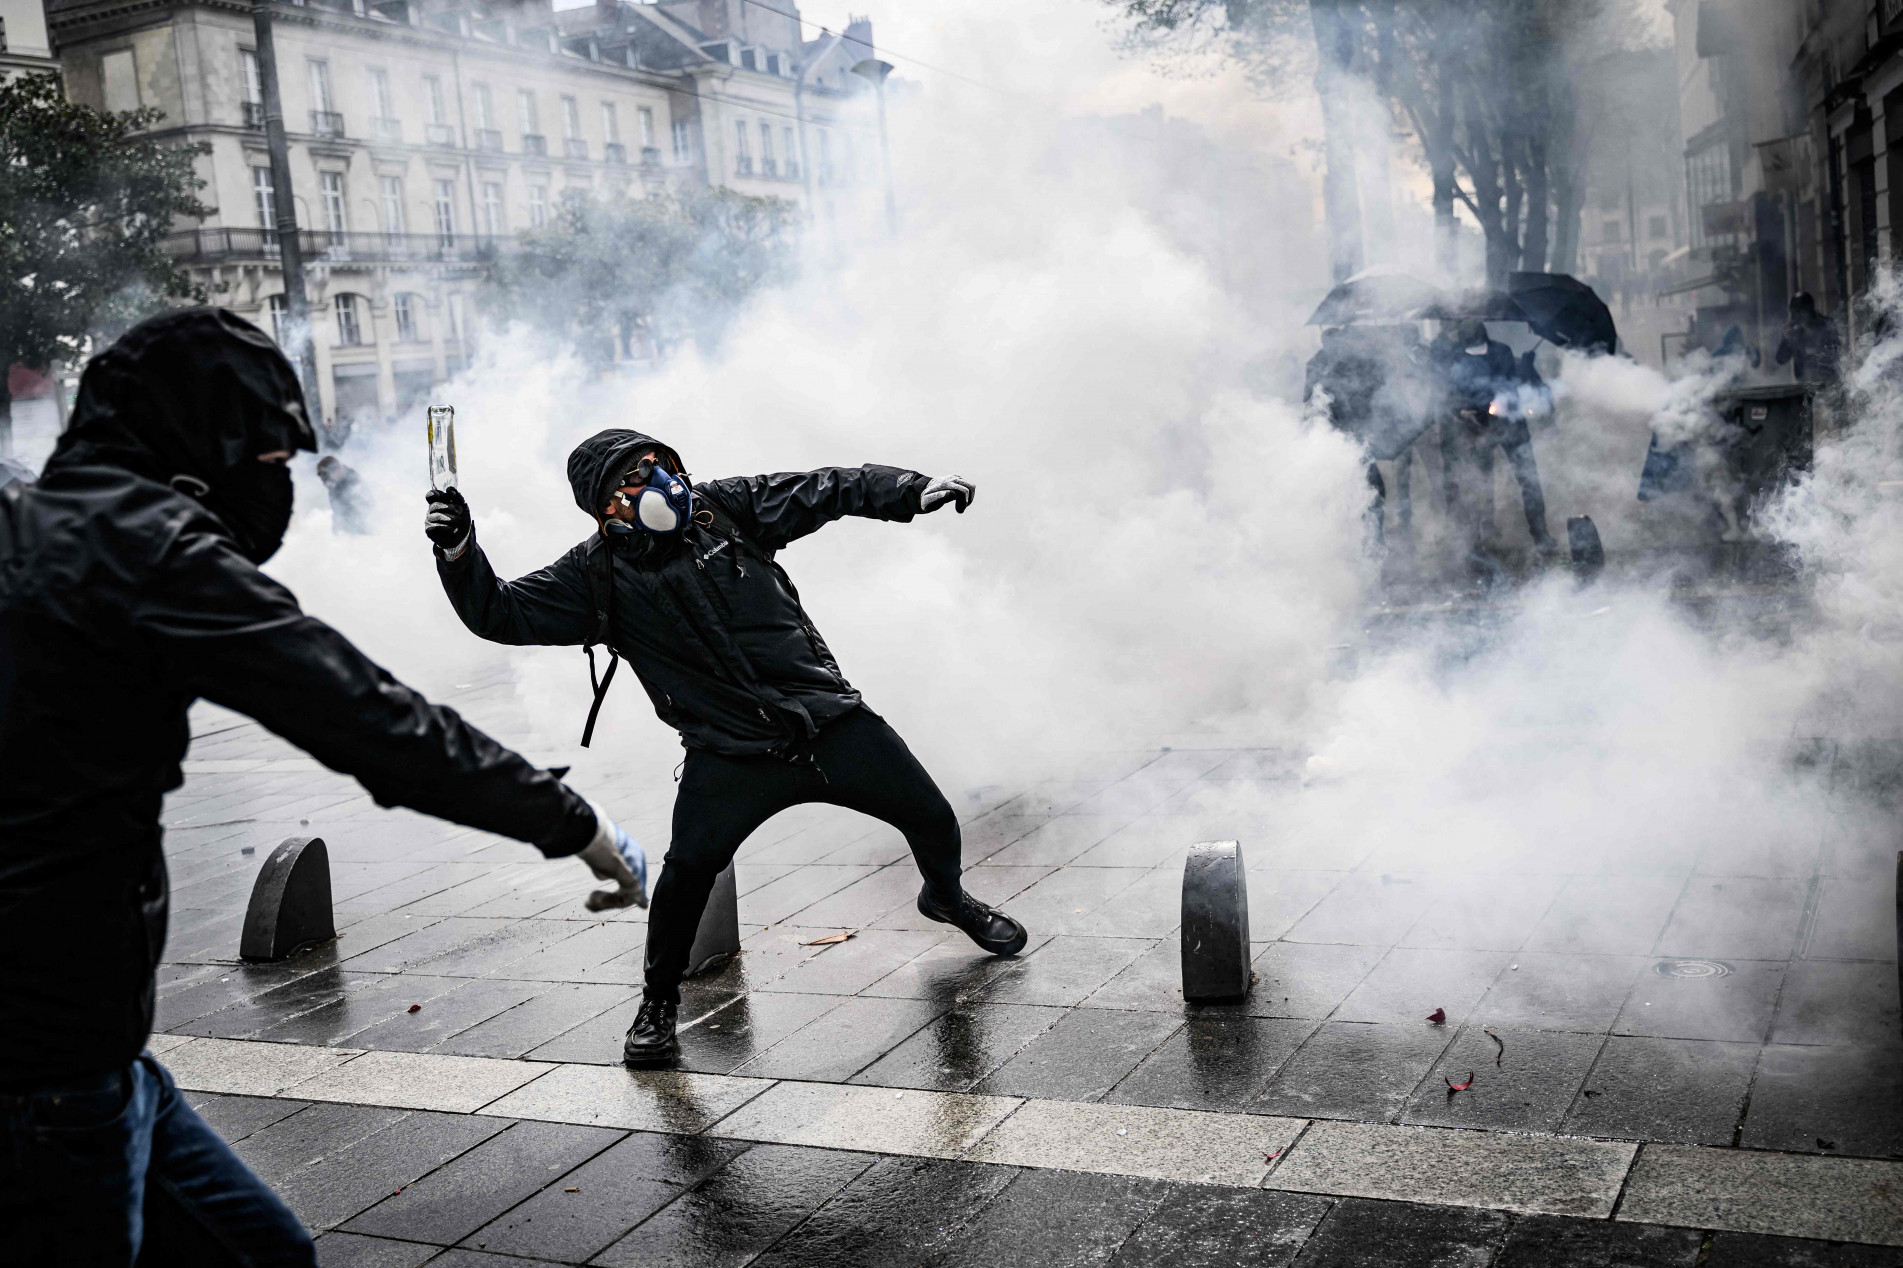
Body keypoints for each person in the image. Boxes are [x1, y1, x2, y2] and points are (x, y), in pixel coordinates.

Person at [0, 309, 647, 1266]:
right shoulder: (147, 547)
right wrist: (572, 822)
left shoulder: (34, 521)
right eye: (268, 460)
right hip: (45, 1068)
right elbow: (370, 719)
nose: (280, 484)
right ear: (203, 450)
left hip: (94, 1053)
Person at [424, 429, 1028, 1066]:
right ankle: (658, 1004)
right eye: (636, 476)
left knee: (932, 817)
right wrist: (459, 550)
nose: (662, 483)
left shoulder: (726, 509)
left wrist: (908, 489)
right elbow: (499, 613)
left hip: (826, 722)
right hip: (729, 753)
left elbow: (825, 489)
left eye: (661, 465)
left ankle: (945, 898)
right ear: (607, 506)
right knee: (685, 876)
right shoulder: (593, 575)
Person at [1430, 319, 1558, 577]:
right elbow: (1449, 394)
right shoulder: (1455, 357)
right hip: (1477, 427)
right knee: (1480, 483)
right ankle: (1477, 540)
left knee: (1528, 479)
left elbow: (1510, 384)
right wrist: (1463, 413)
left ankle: (1540, 534)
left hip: (1510, 423)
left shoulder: (1502, 351)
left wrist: (1524, 369)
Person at [1774, 292, 1842, 385]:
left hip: (1828, 381)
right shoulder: (1794, 331)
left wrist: (1814, 338)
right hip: (1804, 383)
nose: (1800, 317)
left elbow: (1836, 353)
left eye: (1803, 312)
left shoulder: (1825, 325)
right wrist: (1786, 340)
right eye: (1796, 313)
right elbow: (1781, 360)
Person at [316, 453, 370, 534]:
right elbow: (336, 508)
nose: (324, 479)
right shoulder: (334, 484)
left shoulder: (353, 480)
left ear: (337, 470)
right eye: (322, 476)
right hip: (348, 528)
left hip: (361, 527)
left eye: (326, 474)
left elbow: (362, 508)